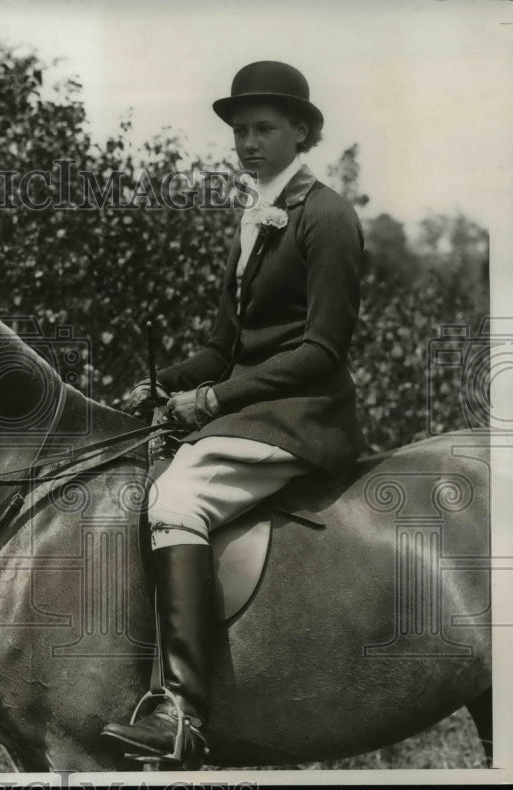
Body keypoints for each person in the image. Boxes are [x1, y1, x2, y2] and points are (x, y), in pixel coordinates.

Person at [101, 61, 365, 767]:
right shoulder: (253, 218)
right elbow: (223, 347)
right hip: (256, 409)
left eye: (265, 129)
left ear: (302, 132)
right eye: (240, 131)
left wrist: (213, 400)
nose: (248, 143)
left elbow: (322, 349)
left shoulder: (329, 217)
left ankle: (184, 711)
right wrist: (162, 384)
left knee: (176, 496)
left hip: (305, 415)